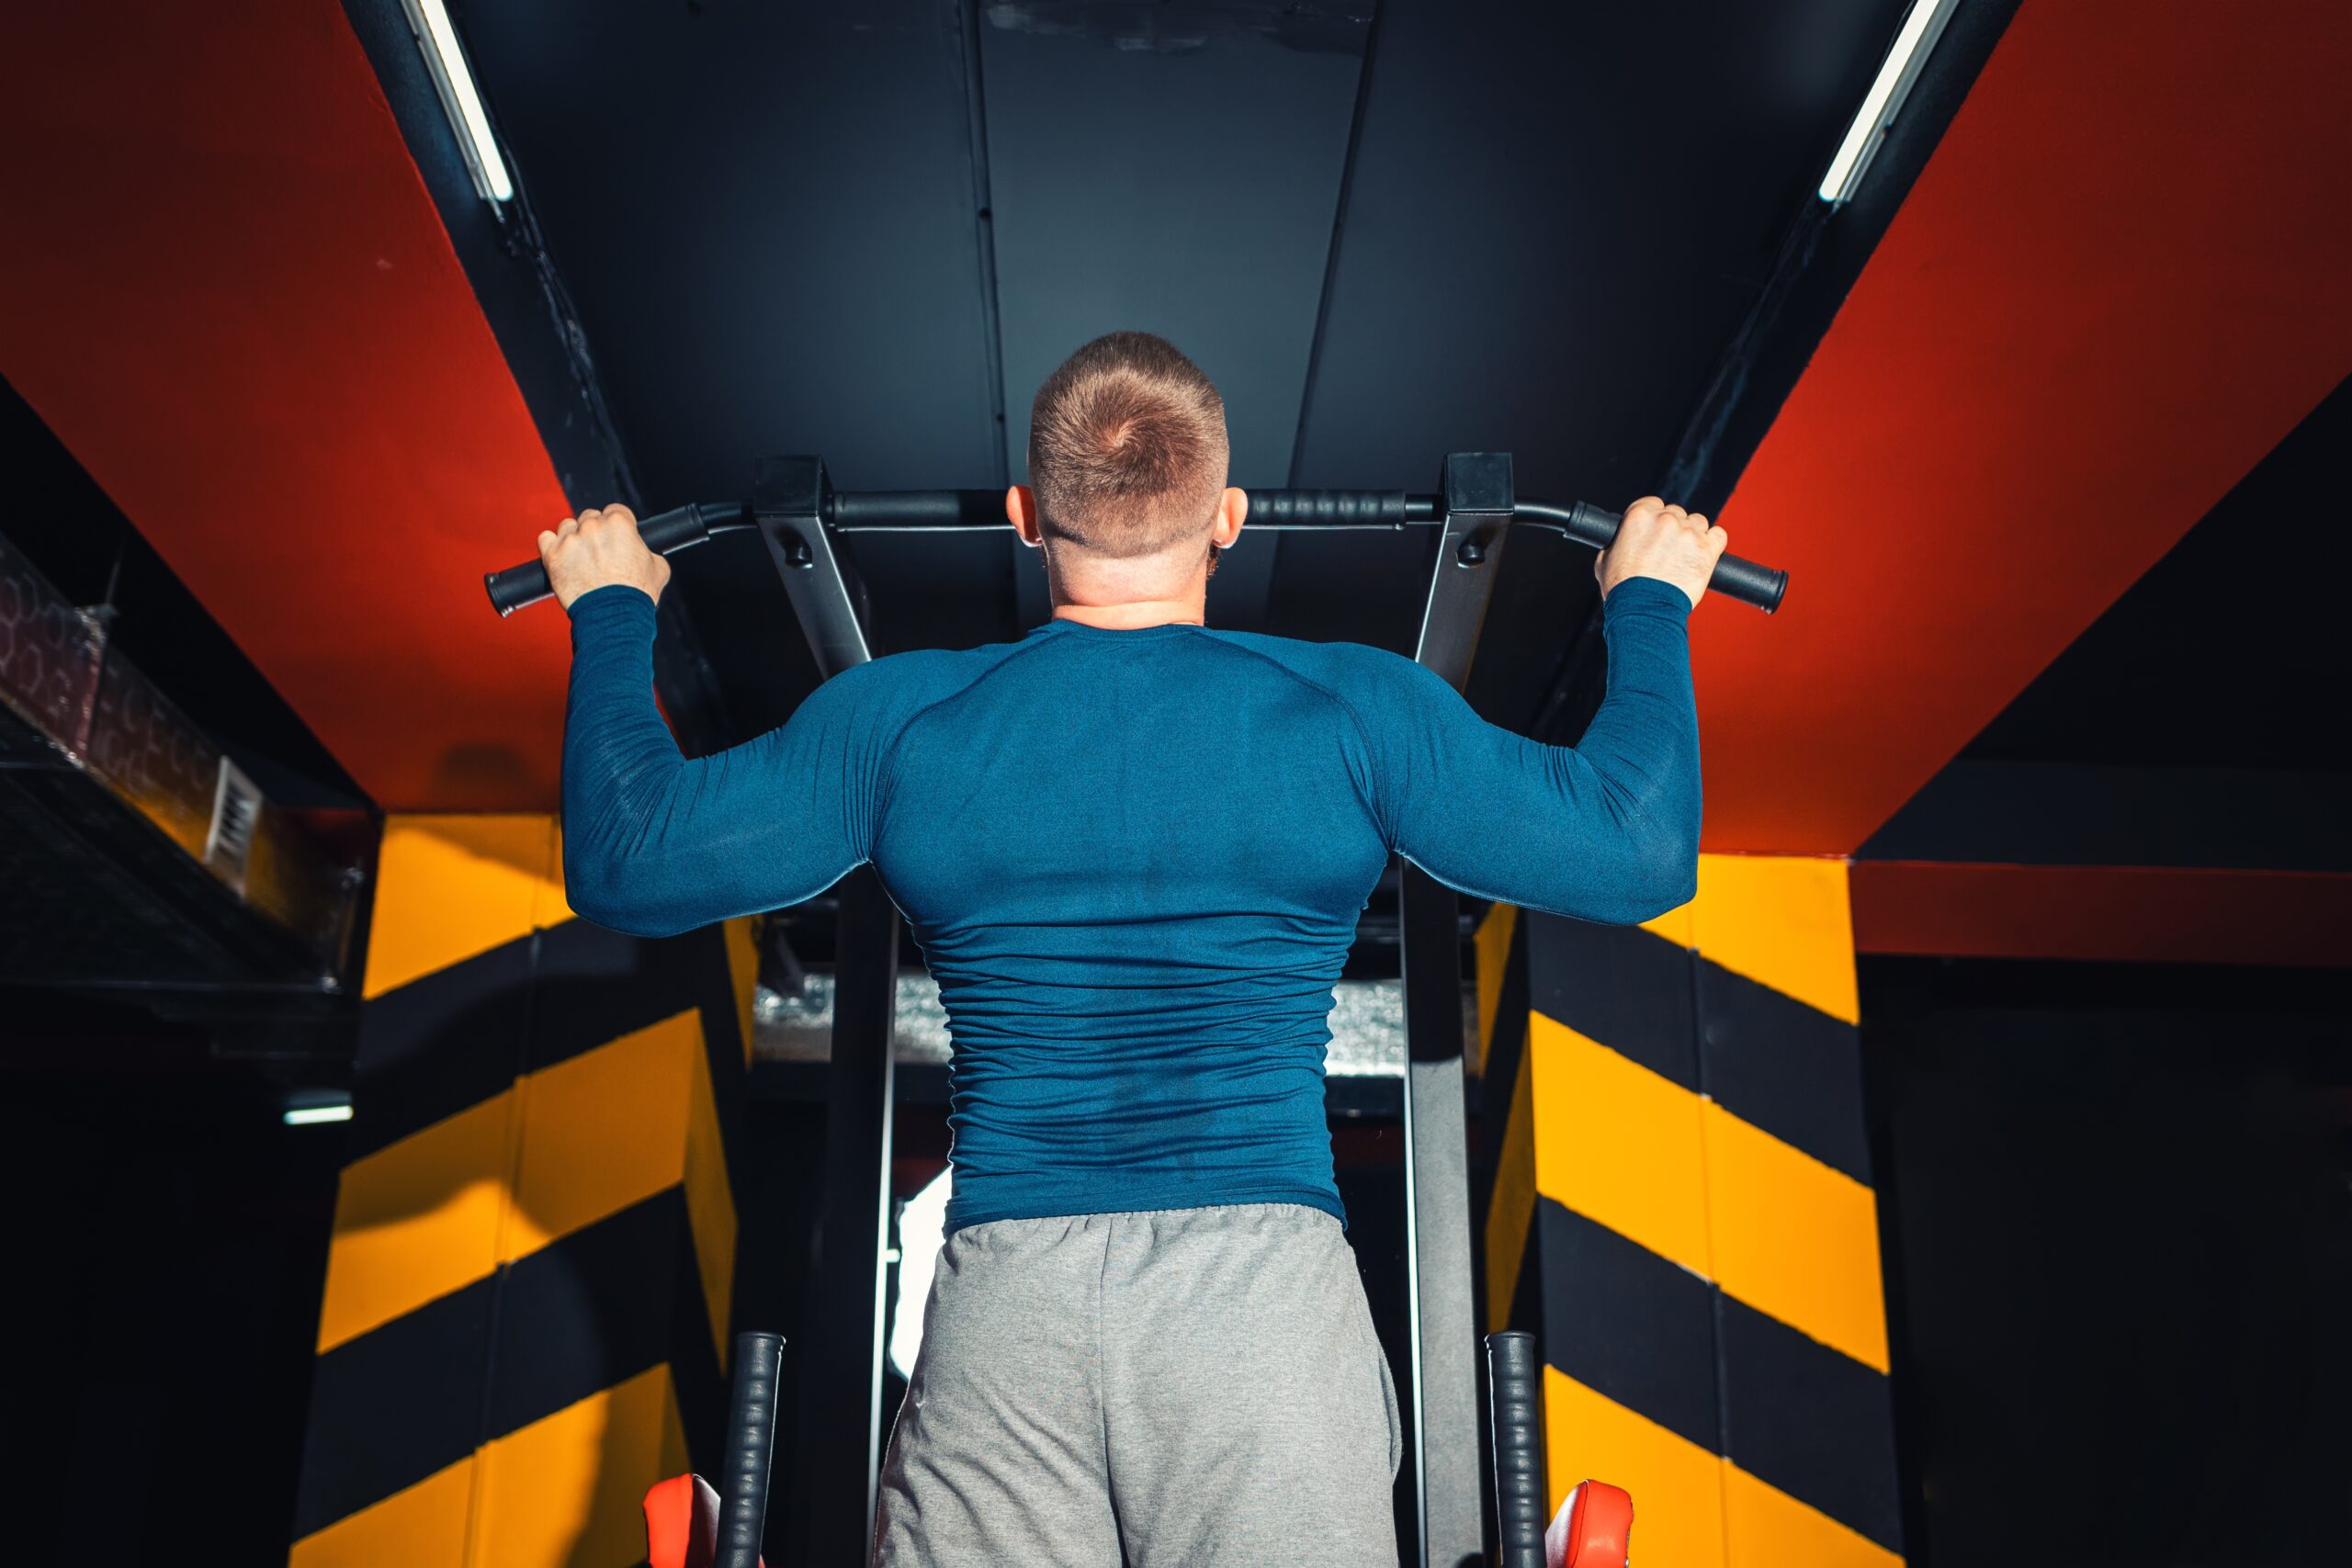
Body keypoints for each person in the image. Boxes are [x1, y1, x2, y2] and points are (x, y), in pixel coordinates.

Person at [539, 331, 1725, 1567]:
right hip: (1261, 1307)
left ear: (1021, 516)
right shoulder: (1354, 708)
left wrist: (613, 605)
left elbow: (627, 858)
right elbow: (1635, 847)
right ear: (1228, 517)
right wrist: (1647, 596)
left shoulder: (901, 723)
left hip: (1010, 1308)